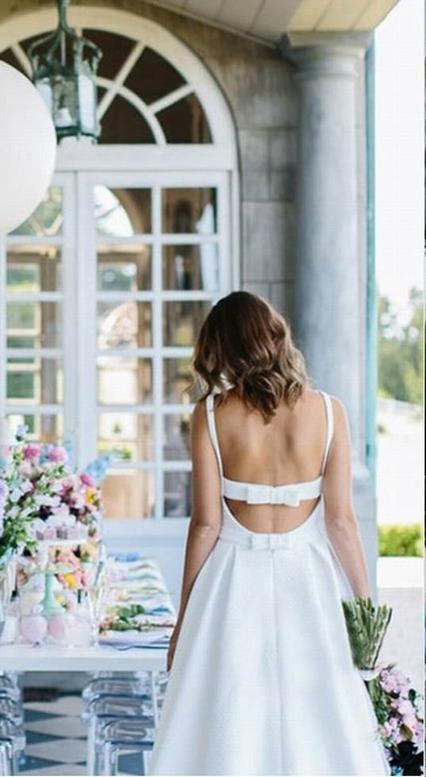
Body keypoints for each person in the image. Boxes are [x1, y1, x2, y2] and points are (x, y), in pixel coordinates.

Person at [148, 291, 389, 776]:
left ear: (222, 346)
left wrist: (183, 620)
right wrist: (366, 610)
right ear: (273, 336)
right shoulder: (329, 411)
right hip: (310, 576)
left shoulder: (212, 414)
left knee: (230, 712)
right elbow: (341, 521)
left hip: (233, 578)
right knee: (320, 712)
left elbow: (206, 524)